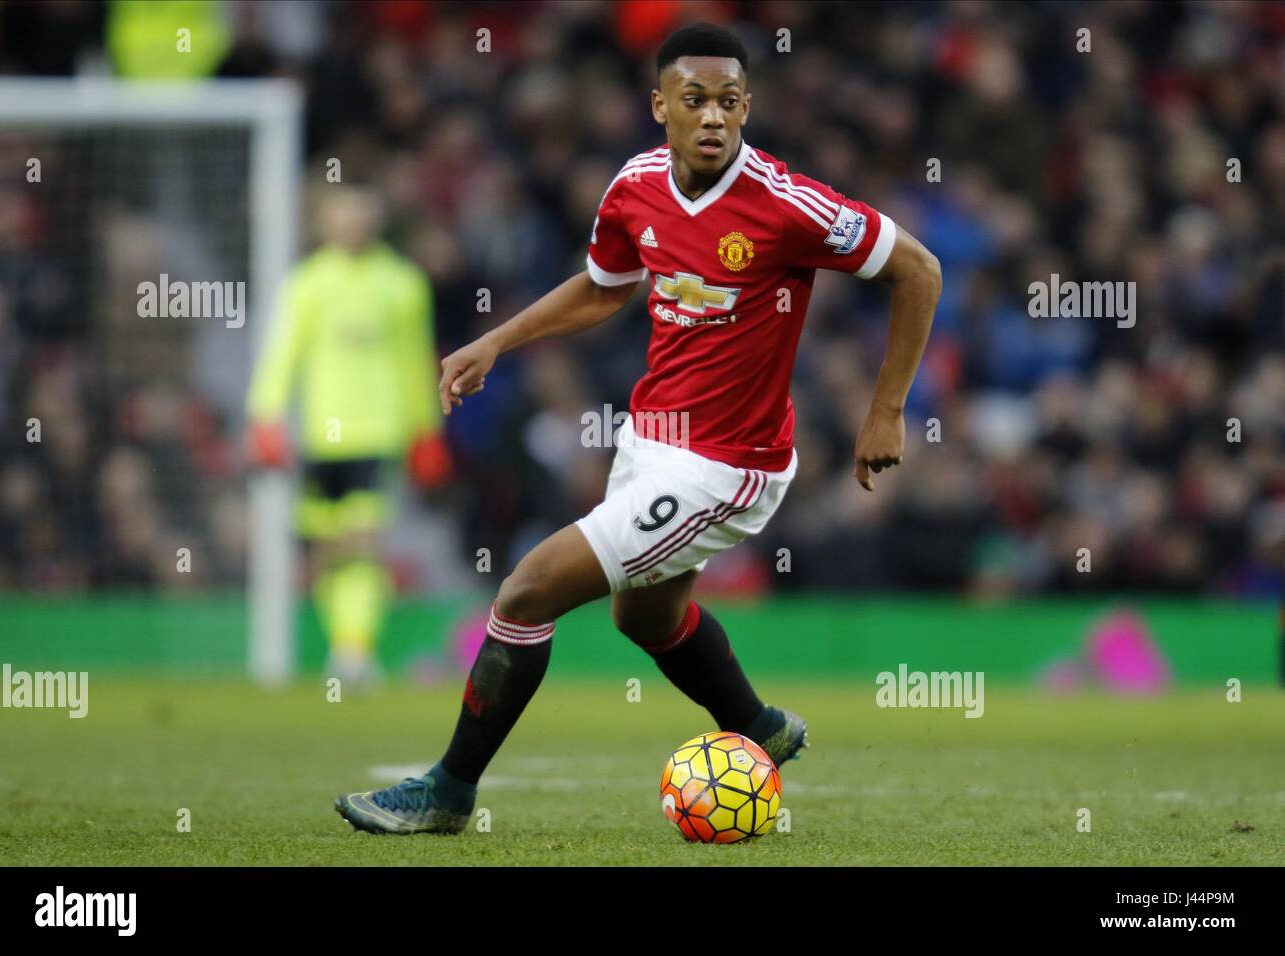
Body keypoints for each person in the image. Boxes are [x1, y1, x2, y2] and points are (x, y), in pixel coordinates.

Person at [335, 22, 940, 834]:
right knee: (644, 618)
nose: (715, 117)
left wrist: (887, 409)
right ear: (661, 106)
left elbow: (919, 270)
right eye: (695, 100)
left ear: (748, 106)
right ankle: (758, 728)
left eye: (730, 101)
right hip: (649, 442)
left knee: (526, 590)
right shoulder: (635, 186)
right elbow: (602, 286)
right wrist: (494, 341)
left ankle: (448, 790)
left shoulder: (787, 204)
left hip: (728, 467)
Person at [247, 186, 450, 685]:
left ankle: (355, 649)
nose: (350, 227)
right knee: (327, 549)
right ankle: (345, 645)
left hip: (378, 431)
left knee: (362, 539)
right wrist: (266, 417)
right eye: (341, 218)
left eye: (359, 218)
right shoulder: (307, 283)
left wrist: (426, 429)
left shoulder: (402, 284)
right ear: (325, 225)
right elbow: (283, 353)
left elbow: (413, 359)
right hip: (321, 435)